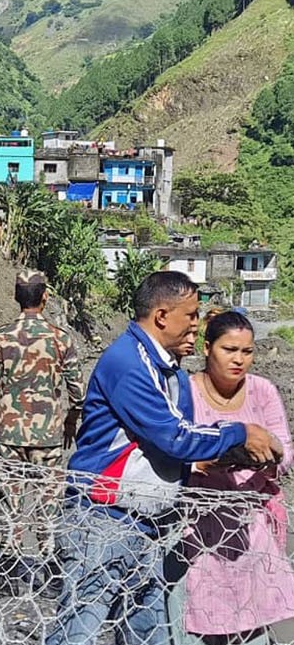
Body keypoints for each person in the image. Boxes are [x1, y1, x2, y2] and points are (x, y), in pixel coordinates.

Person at [47, 272, 284, 645]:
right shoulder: (128, 362)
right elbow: (175, 436)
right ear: (162, 316)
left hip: (149, 524)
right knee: (79, 630)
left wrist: (227, 454)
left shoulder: (168, 369)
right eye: (190, 314)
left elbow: (174, 441)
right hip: (104, 521)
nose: (195, 322)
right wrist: (241, 433)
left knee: (148, 633)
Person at [170, 310, 294, 645]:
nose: (239, 359)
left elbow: (284, 450)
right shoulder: (185, 392)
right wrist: (208, 462)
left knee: (252, 625)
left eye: (247, 351)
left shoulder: (262, 391)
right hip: (195, 528)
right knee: (195, 622)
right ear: (207, 348)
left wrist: (267, 459)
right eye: (229, 350)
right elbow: (173, 447)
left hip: (248, 528)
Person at [0, 269, 83, 593]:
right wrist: (70, 417)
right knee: (47, 502)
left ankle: (9, 573)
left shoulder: (0, 337)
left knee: (11, 501)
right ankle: (50, 575)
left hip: (11, 432)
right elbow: (77, 389)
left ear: (16, 296)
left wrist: (6, 408)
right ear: (44, 296)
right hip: (48, 434)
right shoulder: (60, 337)